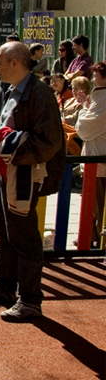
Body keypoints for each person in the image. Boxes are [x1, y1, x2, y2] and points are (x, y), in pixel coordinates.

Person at [0, 41, 65, 322]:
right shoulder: (11, 90)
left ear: (15, 63)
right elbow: (6, 129)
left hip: (25, 174)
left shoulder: (40, 93)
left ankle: (30, 300)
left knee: (23, 235)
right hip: (6, 173)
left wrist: (8, 145)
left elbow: (49, 141)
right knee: (5, 230)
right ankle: (3, 287)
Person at [74, 61, 106, 248]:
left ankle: (96, 240)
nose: (93, 78)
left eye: (96, 75)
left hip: (99, 161)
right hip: (97, 159)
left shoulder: (102, 100)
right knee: (95, 204)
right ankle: (93, 238)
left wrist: (84, 110)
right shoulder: (98, 98)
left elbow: (85, 129)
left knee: (98, 205)